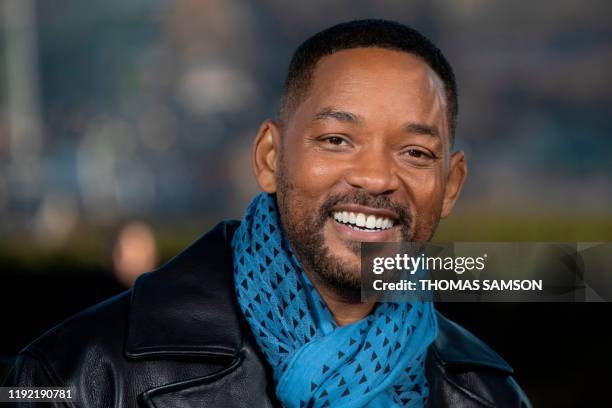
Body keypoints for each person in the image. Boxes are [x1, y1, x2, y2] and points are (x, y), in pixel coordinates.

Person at [5, 19, 530, 407]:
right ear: (269, 159)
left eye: (415, 152)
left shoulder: (487, 392)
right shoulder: (80, 374)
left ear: (451, 185)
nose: (375, 178)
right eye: (337, 139)